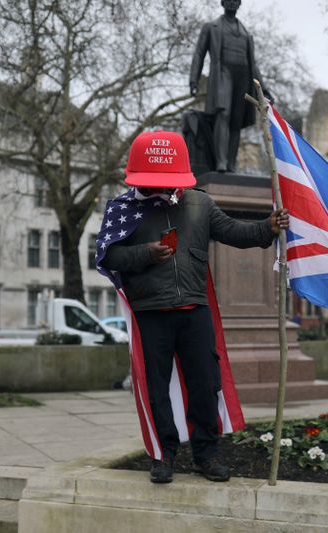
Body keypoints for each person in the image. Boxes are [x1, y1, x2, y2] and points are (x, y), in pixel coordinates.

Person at [97, 130, 288, 484]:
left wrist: (267, 228)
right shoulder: (122, 209)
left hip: (193, 310)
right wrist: (146, 253)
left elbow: (234, 232)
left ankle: (207, 454)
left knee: (205, 385)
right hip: (150, 312)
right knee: (156, 388)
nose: (161, 189)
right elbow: (110, 257)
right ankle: (164, 456)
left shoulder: (200, 204)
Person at [189, 0, 269, 173]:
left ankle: (231, 164)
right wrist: (193, 79)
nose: (232, 2)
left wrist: (264, 88)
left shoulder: (247, 34)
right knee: (223, 114)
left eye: (235, 0)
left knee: (236, 120)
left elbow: (253, 64)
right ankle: (221, 161)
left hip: (243, 76)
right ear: (222, 2)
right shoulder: (211, 27)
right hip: (223, 73)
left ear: (239, 4)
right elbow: (199, 53)